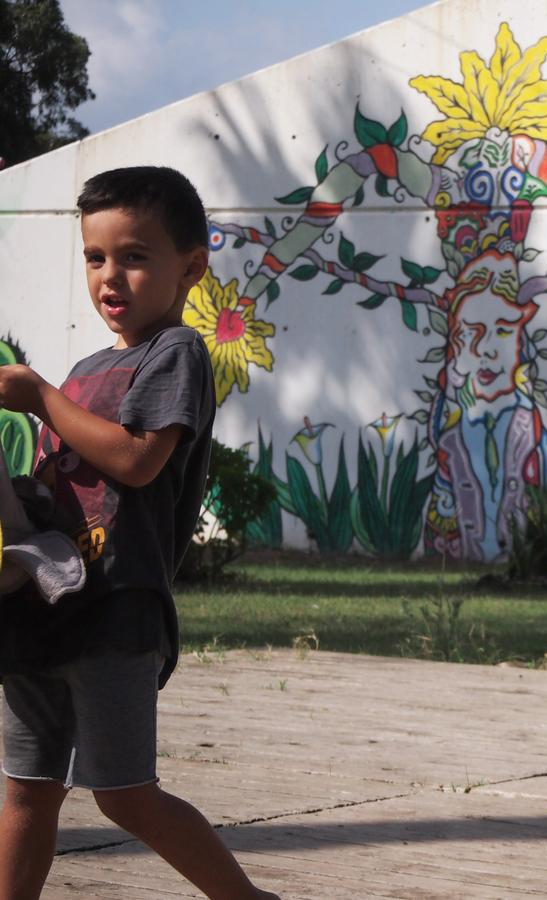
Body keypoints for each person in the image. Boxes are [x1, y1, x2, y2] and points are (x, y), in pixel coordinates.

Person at [0, 167, 277, 899]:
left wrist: (39, 397)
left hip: (118, 608)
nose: (109, 276)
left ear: (190, 266)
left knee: (123, 794)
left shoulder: (175, 354)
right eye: (94, 257)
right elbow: (64, 481)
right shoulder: (91, 367)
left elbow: (136, 460)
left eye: (134, 256)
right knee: (26, 789)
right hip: (43, 608)